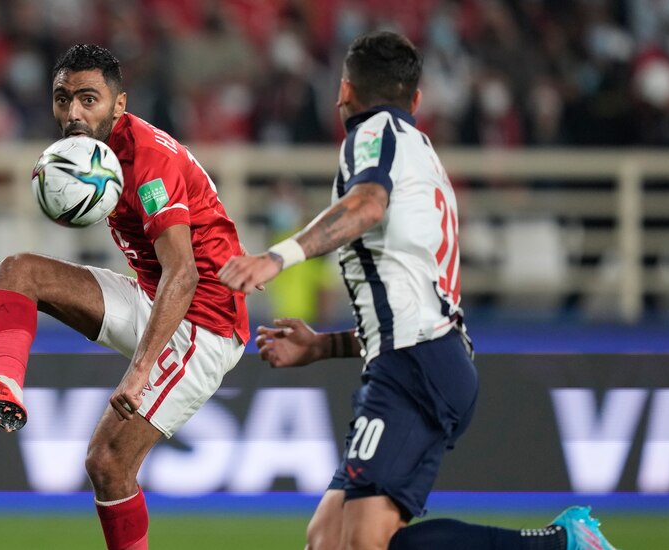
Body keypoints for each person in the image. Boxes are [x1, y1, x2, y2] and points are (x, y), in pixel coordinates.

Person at [219, 31, 618, 550]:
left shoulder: (374, 133)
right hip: (426, 357)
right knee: (327, 540)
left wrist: (277, 256)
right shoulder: (421, 156)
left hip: (415, 364)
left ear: (345, 91)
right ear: (417, 100)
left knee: (365, 542)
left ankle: (559, 544)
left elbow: (367, 205)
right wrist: (323, 346)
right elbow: (407, 304)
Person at [0, 44, 248, 550]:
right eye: (63, 99)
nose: (73, 114)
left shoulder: (149, 161)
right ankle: (6, 388)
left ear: (119, 104)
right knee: (19, 271)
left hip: (201, 322)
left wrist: (140, 372)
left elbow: (184, 274)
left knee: (108, 461)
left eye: (88, 99)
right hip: (154, 297)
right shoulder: (88, 153)